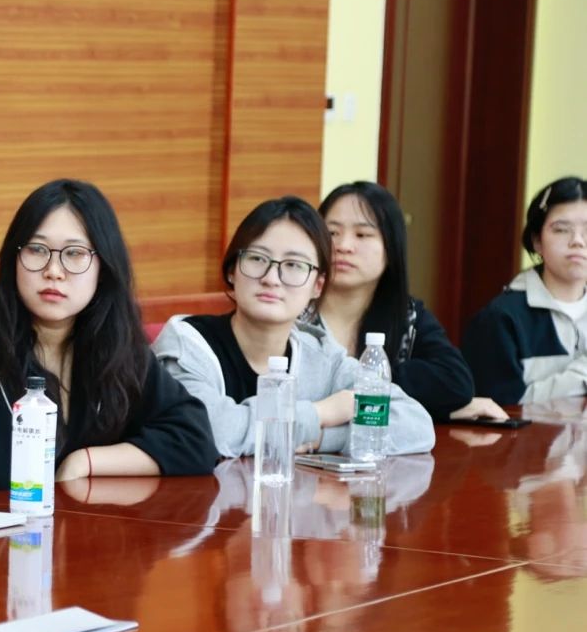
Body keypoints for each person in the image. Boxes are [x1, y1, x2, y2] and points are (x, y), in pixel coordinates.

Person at [0, 179, 217, 490]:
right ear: (13, 258)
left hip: (78, 522)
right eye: (37, 249)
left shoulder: (114, 345)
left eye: (74, 253)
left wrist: (85, 462)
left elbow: (195, 440)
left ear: (104, 267)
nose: (54, 270)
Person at [153, 196, 435, 458]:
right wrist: (321, 413)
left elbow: (415, 425)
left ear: (318, 286)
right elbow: (209, 431)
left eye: (294, 265)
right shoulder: (187, 345)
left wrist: (322, 439)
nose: (272, 278)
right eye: (257, 259)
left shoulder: (321, 355)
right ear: (231, 270)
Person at [309, 181, 505, 421]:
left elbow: (456, 382)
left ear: (391, 247)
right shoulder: (294, 311)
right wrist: (393, 396)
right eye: (332, 233)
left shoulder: (408, 315)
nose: (343, 246)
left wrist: (364, 388)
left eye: (362, 234)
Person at [463, 176, 587, 405]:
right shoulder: (500, 319)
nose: (577, 241)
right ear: (537, 241)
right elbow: (499, 409)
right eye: (561, 230)